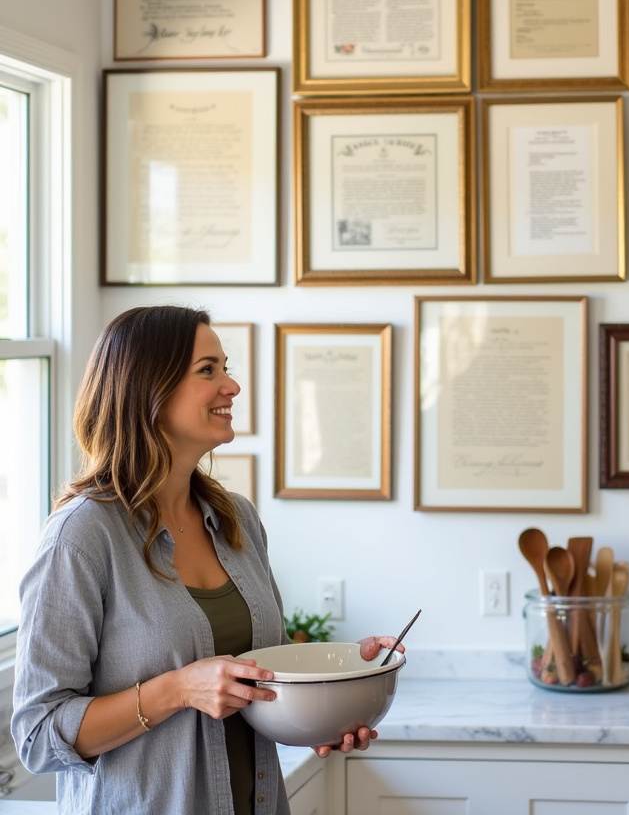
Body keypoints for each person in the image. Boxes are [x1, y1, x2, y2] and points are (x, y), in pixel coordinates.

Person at [12, 305, 401, 815]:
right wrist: (176, 689)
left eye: (226, 366)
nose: (232, 386)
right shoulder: (82, 536)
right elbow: (39, 735)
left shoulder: (236, 520)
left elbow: (262, 682)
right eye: (208, 370)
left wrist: (337, 693)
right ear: (149, 389)